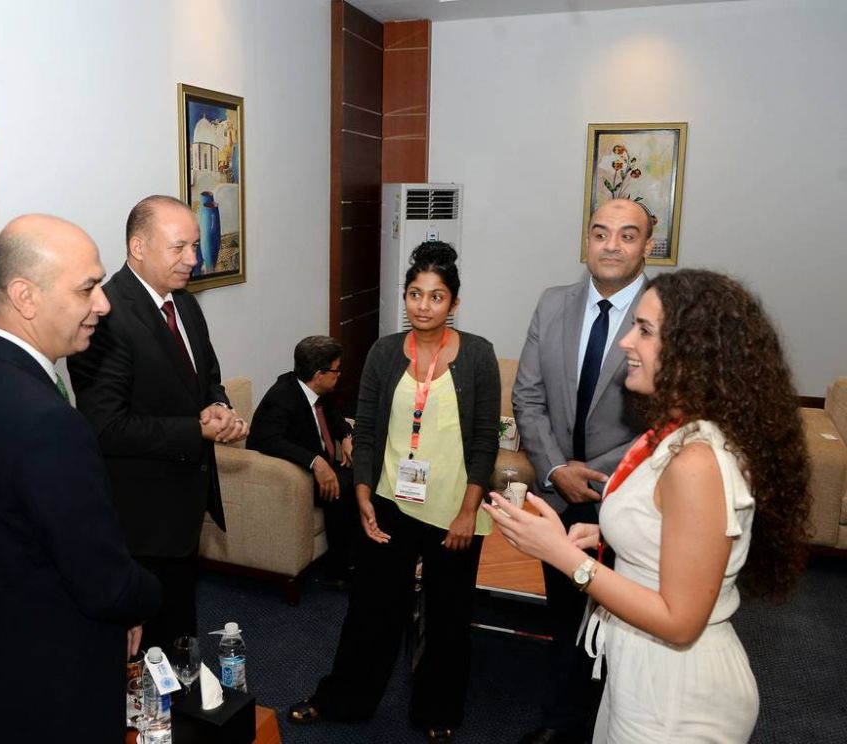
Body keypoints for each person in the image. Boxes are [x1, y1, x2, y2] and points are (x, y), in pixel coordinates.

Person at [487, 269, 811, 742]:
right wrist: (606, 533)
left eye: (643, 330)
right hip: (641, 672)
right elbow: (672, 525)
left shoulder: (696, 461)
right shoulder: (676, 434)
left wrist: (561, 555)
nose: (625, 342)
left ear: (690, 351)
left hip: (675, 695)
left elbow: (679, 623)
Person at [0, 215, 161, 744]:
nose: (103, 304)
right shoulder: (45, 419)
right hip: (56, 682)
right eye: (87, 288)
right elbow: (106, 586)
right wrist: (150, 592)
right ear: (25, 296)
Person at [288, 242, 500, 743]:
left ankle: (438, 711)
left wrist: (468, 511)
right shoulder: (384, 352)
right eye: (414, 294)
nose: (423, 306)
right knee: (371, 610)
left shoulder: (478, 354)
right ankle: (344, 699)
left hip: (454, 509)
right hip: (390, 501)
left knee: (447, 615)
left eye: (436, 296)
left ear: (454, 302)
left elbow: (484, 440)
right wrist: (362, 492)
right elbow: (365, 432)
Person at [68, 195, 248, 650]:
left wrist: (219, 406)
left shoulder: (183, 303)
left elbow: (207, 377)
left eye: (195, 245)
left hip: (184, 510)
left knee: (180, 632)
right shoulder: (106, 315)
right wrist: (195, 430)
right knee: (145, 647)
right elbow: (104, 427)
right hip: (139, 521)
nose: (194, 259)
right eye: (179, 247)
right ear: (138, 247)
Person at [512, 198, 651, 743]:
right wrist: (554, 470)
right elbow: (528, 397)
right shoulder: (553, 303)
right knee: (567, 619)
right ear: (586, 240)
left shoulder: (665, 314)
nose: (611, 245)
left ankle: (616, 723)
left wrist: (590, 473)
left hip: (630, 496)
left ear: (647, 245)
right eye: (600, 233)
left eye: (627, 235)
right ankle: (563, 723)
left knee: (631, 624)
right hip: (559, 498)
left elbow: (667, 419)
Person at [246, 335, 357, 583]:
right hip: (296, 475)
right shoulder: (281, 397)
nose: (339, 375)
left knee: (364, 475)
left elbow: (335, 416)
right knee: (343, 488)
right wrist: (315, 461)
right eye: (336, 370)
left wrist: (346, 436)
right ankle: (338, 571)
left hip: (325, 463)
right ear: (319, 375)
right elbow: (265, 439)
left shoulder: (319, 390)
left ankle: (361, 555)